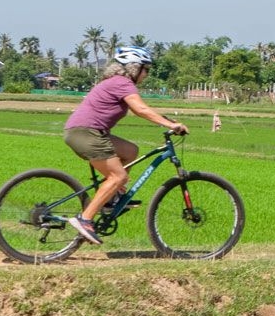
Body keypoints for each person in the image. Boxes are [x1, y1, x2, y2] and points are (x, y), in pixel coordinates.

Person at [63, 46, 188, 244]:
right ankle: (85, 219)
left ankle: (111, 198)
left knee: (131, 151)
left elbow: (142, 109)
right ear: (134, 68)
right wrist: (170, 125)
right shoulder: (122, 83)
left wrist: (167, 120)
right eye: (146, 69)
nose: (147, 74)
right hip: (86, 133)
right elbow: (140, 109)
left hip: (87, 132)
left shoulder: (116, 82)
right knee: (119, 176)